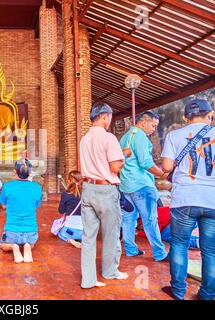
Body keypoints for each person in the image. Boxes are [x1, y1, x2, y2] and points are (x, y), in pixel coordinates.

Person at [160, 99, 215, 300]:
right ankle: (207, 295)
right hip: (214, 200)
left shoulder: (174, 135)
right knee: (211, 251)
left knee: (179, 244)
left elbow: (166, 167)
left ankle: (178, 291)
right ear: (209, 115)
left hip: (184, 198)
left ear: (186, 117)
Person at [79, 102, 128, 289]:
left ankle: (88, 280)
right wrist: (124, 159)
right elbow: (114, 167)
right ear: (105, 117)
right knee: (111, 234)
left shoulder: (84, 139)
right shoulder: (109, 138)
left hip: (87, 188)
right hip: (106, 190)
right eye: (110, 117)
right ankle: (110, 271)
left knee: (88, 236)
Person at [119, 111, 169, 261]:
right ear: (143, 123)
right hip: (141, 185)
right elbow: (145, 163)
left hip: (126, 184)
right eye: (153, 125)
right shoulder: (140, 136)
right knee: (150, 220)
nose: (154, 129)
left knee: (129, 219)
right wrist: (161, 174)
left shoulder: (125, 137)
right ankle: (160, 253)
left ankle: (130, 250)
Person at [0, 159, 42, 263]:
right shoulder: (37, 187)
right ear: (30, 172)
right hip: (31, 229)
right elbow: (36, 206)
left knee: (3, 245)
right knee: (31, 243)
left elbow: (3, 206)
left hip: (12, 228)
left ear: (15, 171)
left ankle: (14, 247)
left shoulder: (7, 186)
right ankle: (27, 246)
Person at [57, 171, 83, 248]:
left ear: (69, 181)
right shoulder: (86, 194)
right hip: (84, 233)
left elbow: (61, 210)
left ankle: (70, 240)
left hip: (69, 232)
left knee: (60, 232)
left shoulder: (66, 194)